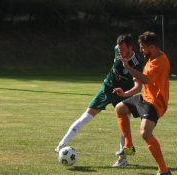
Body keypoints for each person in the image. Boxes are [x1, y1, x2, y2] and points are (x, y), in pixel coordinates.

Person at [55, 34, 144, 167]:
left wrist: (125, 94)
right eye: (118, 49)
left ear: (130, 47)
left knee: (124, 124)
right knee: (87, 116)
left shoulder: (137, 63)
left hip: (124, 93)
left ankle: (123, 159)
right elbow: (117, 50)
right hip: (108, 87)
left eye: (123, 49)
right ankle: (62, 143)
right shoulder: (117, 49)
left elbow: (138, 87)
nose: (120, 52)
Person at [114, 31, 171, 175]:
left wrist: (128, 66)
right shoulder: (151, 57)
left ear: (151, 47)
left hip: (155, 102)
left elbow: (145, 79)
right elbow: (140, 84)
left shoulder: (160, 62)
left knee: (145, 133)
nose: (141, 50)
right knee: (120, 108)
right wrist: (125, 94)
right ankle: (129, 146)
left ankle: (163, 170)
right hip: (145, 98)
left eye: (142, 47)